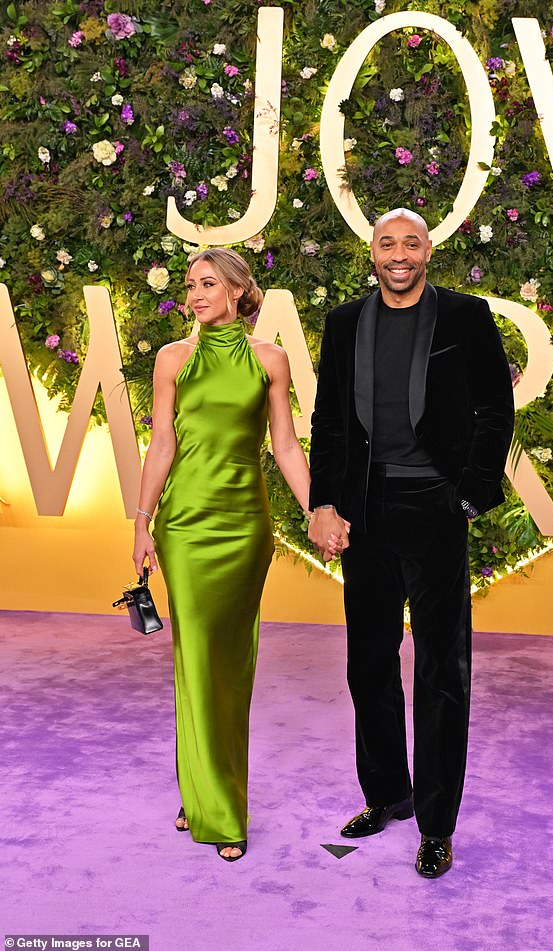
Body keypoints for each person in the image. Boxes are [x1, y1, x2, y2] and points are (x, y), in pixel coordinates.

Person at [308, 209, 514, 877]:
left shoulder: (465, 316)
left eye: (411, 243)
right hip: (366, 510)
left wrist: (470, 493)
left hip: (435, 507)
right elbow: (329, 421)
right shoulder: (343, 323)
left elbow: (494, 407)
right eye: (387, 243)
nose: (399, 254)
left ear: (429, 251)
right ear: (372, 252)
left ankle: (436, 822)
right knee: (368, 662)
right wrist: (322, 501)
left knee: (440, 670)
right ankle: (387, 794)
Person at [133, 248, 333, 862]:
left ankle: (203, 784)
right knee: (193, 654)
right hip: (185, 525)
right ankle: (217, 808)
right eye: (190, 285)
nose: (194, 294)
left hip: (246, 526)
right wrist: (141, 521)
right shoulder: (173, 360)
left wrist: (313, 509)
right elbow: (162, 443)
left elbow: (285, 447)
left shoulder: (270, 361)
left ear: (239, 291)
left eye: (207, 283)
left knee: (231, 658)